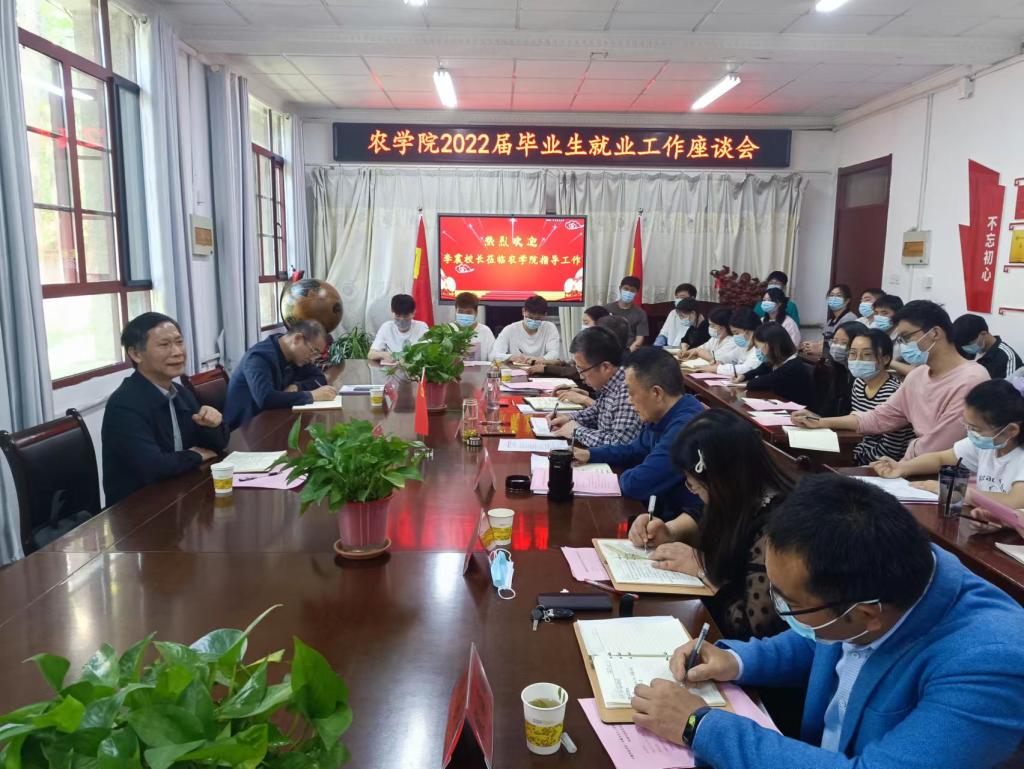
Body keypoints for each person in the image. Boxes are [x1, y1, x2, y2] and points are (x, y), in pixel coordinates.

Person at [630, 473, 1024, 768]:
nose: (777, 607)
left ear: (866, 614)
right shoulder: (876, 580)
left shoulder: (990, 664)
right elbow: (823, 636)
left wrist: (699, 727)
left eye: (789, 602)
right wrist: (737, 660)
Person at [628, 410, 790, 640]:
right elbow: (703, 515)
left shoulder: (777, 529)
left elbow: (753, 627)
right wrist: (670, 531)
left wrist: (704, 570)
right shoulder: (741, 496)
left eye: (696, 487)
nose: (696, 493)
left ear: (722, 481)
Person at [792, 301, 990, 458]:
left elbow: (939, 445)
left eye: (906, 337)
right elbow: (879, 417)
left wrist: (899, 466)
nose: (903, 346)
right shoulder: (917, 375)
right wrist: (821, 422)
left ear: (935, 333)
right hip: (912, 466)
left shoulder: (971, 380)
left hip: (943, 476)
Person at [102, 313, 230, 505]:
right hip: (138, 511)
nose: (177, 352)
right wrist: (194, 455)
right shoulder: (124, 404)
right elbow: (153, 466)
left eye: (179, 342)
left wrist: (213, 425)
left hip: (179, 495)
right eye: (164, 345)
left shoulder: (180, 392)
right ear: (136, 354)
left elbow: (215, 446)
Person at [871, 379, 1024, 532]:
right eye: (967, 425)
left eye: (976, 428)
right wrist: (902, 468)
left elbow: (1014, 501)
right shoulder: (987, 443)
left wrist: (954, 492)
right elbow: (940, 459)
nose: (971, 433)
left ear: (1011, 430)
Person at [573, 347, 703, 521]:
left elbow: (639, 484)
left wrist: (618, 476)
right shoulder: (663, 414)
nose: (629, 400)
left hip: (678, 523)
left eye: (631, 393)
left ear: (656, 393)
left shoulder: (686, 428)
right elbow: (633, 449)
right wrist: (590, 454)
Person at [224, 320, 337, 429]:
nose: (312, 359)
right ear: (297, 339)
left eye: (316, 355)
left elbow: (319, 378)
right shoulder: (258, 358)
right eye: (313, 351)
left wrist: (297, 386)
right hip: (243, 431)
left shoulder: (295, 355)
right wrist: (311, 396)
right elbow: (265, 398)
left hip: (271, 420)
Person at [549, 327, 641, 447]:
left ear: (605, 367)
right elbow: (597, 411)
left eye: (582, 370)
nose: (581, 376)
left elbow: (619, 444)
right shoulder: (610, 384)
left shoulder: (626, 391)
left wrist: (577, 431)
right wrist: (568, 418)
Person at [847, 329, 915, 465]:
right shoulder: (859, 383)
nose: (857, 360)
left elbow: (892, 449)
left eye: (867, 354)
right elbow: (862, 430)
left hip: (890, 463)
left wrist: (856, 459)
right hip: (862, 453)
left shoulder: (893, 392)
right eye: (853, 354)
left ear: (885, 359)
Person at [740, 322, 817, 409]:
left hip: (798, 413)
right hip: (784, 406)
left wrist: (748, 379)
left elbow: (753, 384)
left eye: (759, 347)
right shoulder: (780, 361)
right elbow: (762, 368)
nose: (759, 351)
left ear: (767, 346)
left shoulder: (792, 367)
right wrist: (744, 376)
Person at [817, 320, 868, 418]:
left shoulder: (863, 376)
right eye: (835, 341)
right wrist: (813, 417)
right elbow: (828, 410)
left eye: (844, 343)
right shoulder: (838, 370)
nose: (837, 347)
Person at [490, 294, 561, 363]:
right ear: (523, 311)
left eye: (538, 318)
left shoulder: (549, 328)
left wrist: (538, 360)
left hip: (540, 369)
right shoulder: (510, 329)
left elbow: (554, 353)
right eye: (530, 317)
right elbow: (493, 355)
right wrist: (511, 357)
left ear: (545, 315)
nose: (533, 321)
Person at [953, 313, 1023, 380]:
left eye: (969, 344)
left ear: (983, 334)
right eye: (962, 345)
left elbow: (1008, 387)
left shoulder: (1007, 358)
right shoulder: (965, 347)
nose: (965, 348)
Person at [695, 308, 761, 378]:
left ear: (749, 331)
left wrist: (717, 368)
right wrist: (719, 362)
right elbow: (730, 357)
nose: (735, 336)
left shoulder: (760, 350)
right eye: (733, 333)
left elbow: (747, 368)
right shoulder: (745, 345)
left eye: (737, 333)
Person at [368, 294, 429, 364]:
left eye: (406, 316)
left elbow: (428, 354)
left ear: (413, 313)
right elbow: (371, 354)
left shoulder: (422, 327)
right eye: (398, 316)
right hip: (392, 369)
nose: (402, 319)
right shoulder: (386, 327)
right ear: (392, 312)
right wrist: (384, 354)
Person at [801, 284, 856, 356]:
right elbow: (826, 340)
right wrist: (812, 344)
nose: (834, 298)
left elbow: (841, 346)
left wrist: (820, 349)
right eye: (831, 295)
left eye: (838, 296)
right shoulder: (831, 321)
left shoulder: (849, 319)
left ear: (847, 300)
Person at [603, 275, 648, 352]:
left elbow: (639, 339)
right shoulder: (607, 308)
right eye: (626, 289)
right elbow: (600, 333)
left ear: (637, 293)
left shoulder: (641, 313)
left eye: (632, 290)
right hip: (608, 350)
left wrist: (628, 353)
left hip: (630, 351)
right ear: (620, 288)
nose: (628, 292)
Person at [450, 291, 495, 361]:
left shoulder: (485, 331)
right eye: (461, 311)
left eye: (469, 312)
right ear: (456, 311)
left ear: (476, 312)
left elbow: (494, 356)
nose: (464, 315)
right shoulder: (448, 330)